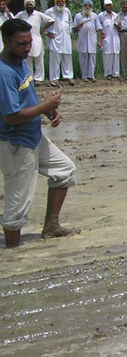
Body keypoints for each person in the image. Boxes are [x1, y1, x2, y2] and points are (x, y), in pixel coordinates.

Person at [0, 18, 78, 246]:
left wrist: (48, 112)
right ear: (6, 42)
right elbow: (11, 117)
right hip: (15, 143)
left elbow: (27, 98)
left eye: (29, 43)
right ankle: (13, 253)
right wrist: (45, 106)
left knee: (64, 170)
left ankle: (51, 226)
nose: (27, 48)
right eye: (21, 44)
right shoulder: (4, 73)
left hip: (33, 137)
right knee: (18, 203)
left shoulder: (20, 62)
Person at [14, 0, 53, 82]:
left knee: (39, 60)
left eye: (31, 4)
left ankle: (38, 78)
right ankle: (29, 77)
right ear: (25, 6)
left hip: (36, 39)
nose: (29, 6)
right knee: (27, 59)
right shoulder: (21, 14)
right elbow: (13, 20)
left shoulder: (38, 14)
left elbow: (51, 20)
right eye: (28, 4)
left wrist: (43, 30)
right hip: (25, 41)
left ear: (34, 5)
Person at [44, 0, 75, 85]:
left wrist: (70, 31)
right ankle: (54, 78)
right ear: (56, 2)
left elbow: (70, 23)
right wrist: (47, 33)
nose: (61, 3)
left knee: (67, 57)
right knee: (55, 59)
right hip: (55, 38)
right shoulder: (49, 12)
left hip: (66, 38)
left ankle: (68, 76)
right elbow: (43, 23)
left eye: (62, 1)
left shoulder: (67, 11)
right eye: (59, 1)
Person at [73, 0, 99, 81]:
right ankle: (84, 76)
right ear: (83, 6)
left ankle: (91, 75)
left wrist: (100, 40)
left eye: (89, 5)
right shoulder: (78, 16)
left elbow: (99, 28)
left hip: (92, 39)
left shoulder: (94, 16)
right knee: (83, 57)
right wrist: (78, 27)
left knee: (92, 57)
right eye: (86, 5)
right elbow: (74, 28)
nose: (87, 7)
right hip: (82, 39)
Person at [96, 0, 120, 79]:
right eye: (106, 5)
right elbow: (98, 27)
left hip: (115, 38)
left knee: (116, 55)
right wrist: (100, 35)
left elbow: (119, 27)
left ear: (112, 5)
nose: (108, 7)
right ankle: (108, 73)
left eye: (109, 5)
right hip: (106, 39)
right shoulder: (101, 15)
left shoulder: (116, 15)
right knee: (107, 56)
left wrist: (117, 25)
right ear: (104, 6)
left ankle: (116, 73)